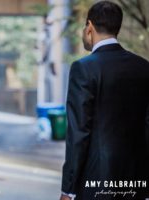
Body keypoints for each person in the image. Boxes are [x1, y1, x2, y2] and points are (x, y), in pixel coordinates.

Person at [60, 1, 149, 200]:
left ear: (89, 27)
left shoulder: (84, 68)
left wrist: (68, 189)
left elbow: (78, 133)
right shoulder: (144, 67)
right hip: (137, 183)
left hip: (96, 183)